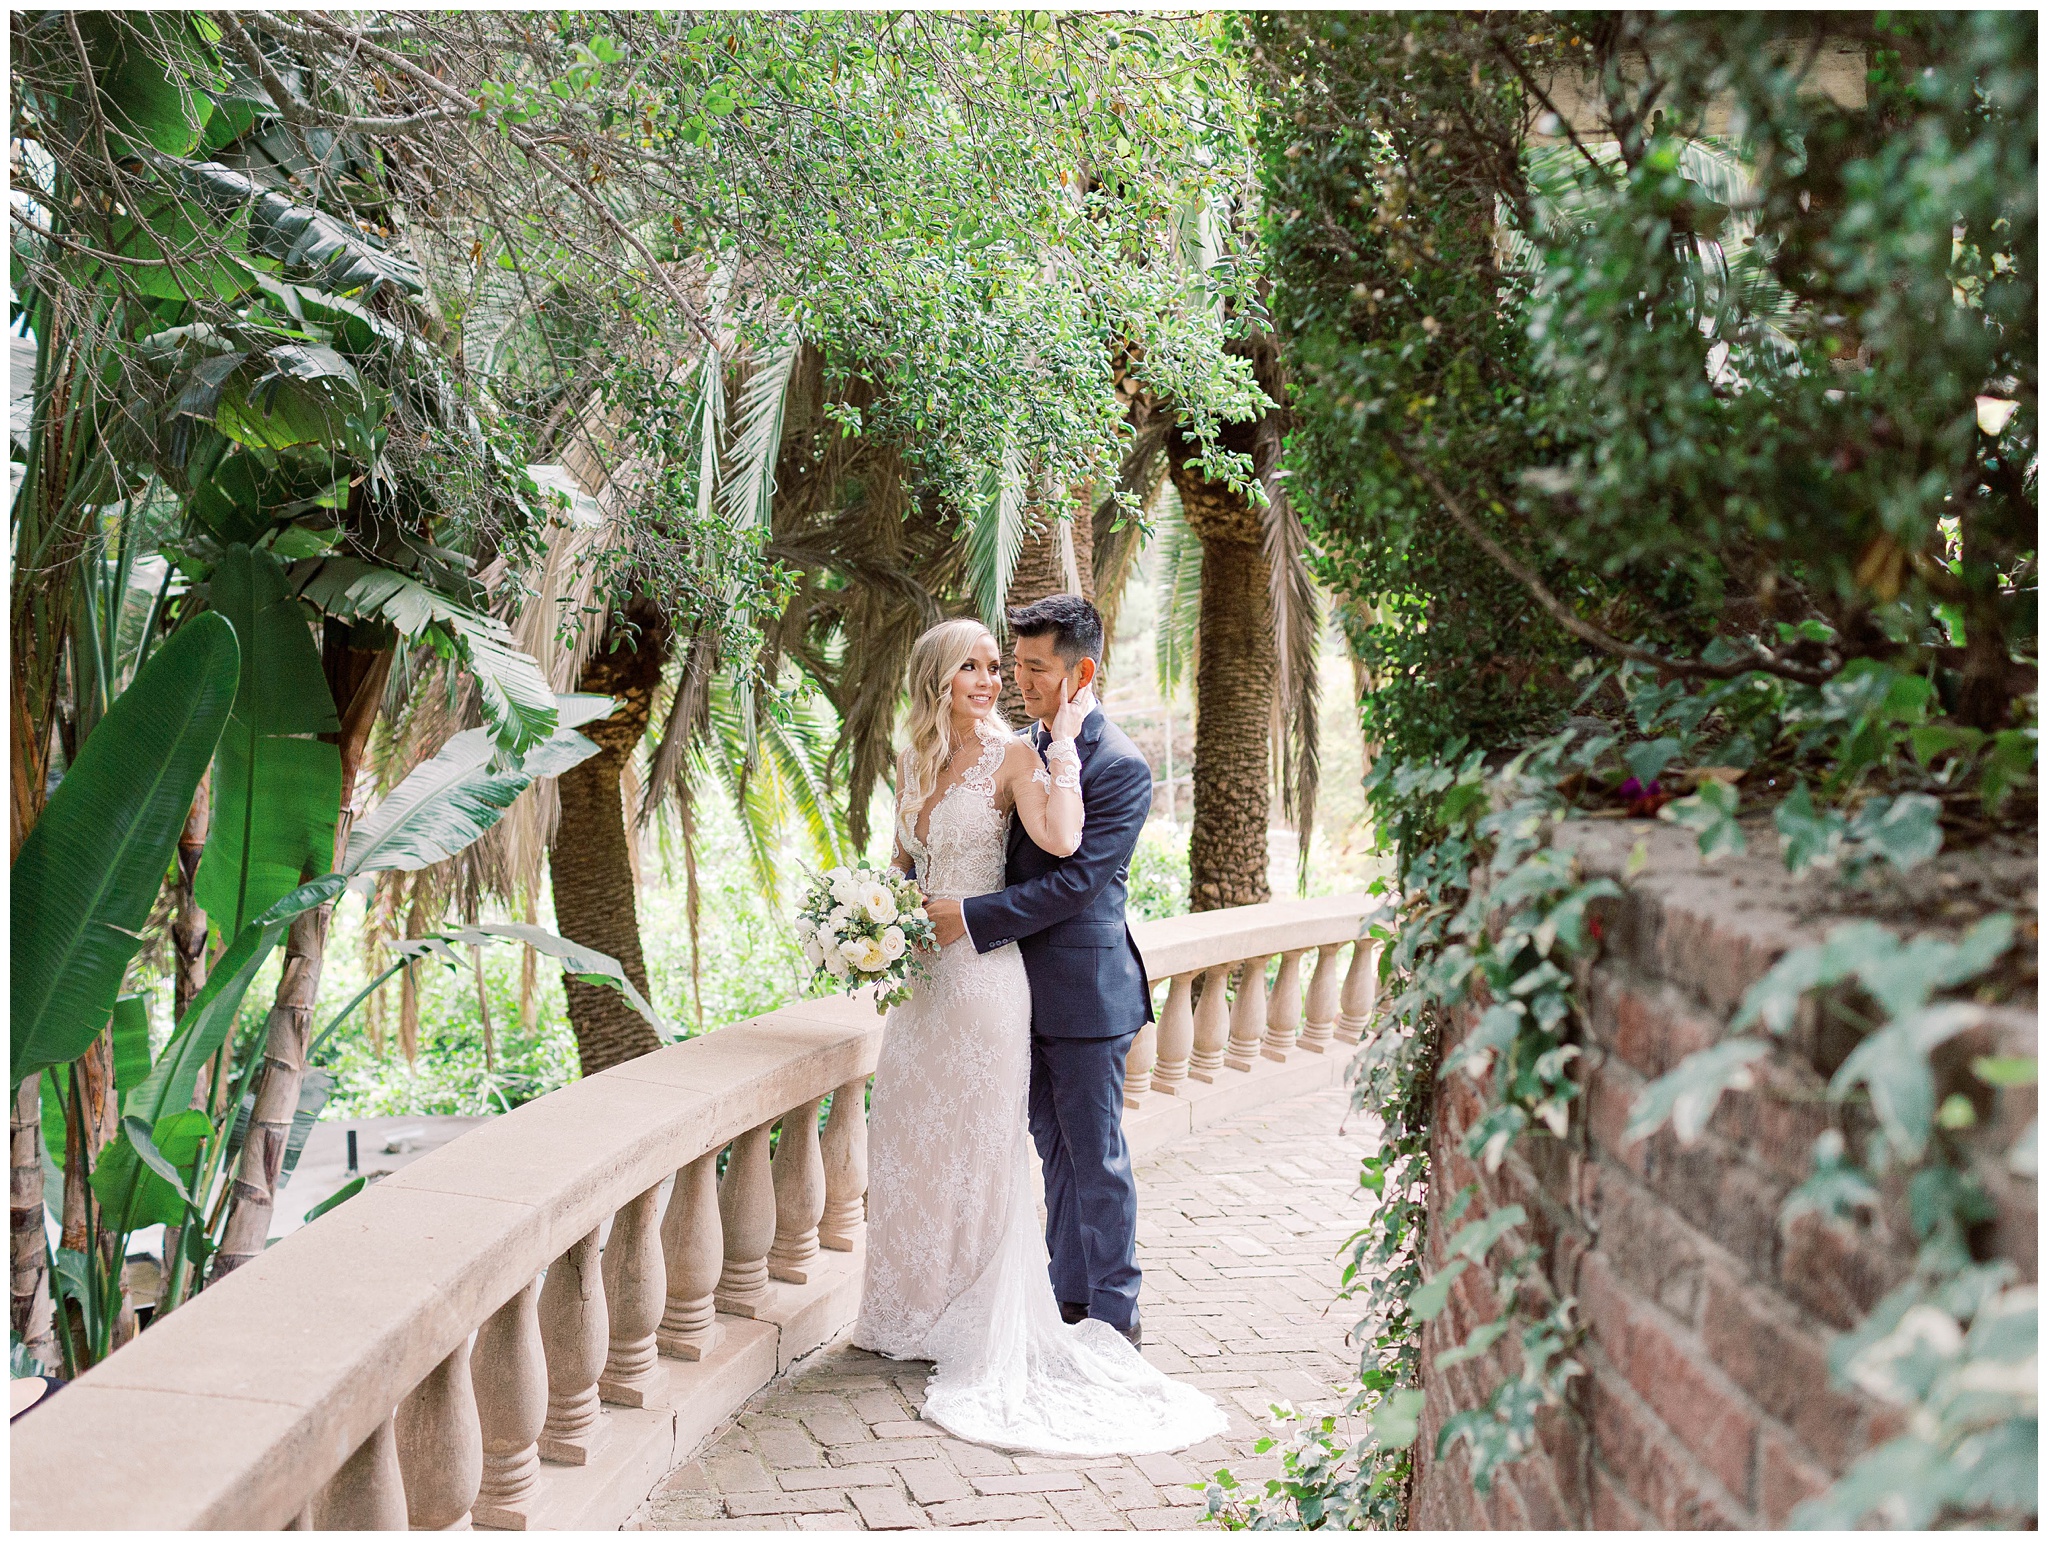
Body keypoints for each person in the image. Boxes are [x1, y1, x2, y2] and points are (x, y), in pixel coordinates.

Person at [851, 604, 1223, 1455]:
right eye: (1005, 665)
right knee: (1048, 1153)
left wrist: (967, 916)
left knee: (1095, 1157)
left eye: (1029, 668)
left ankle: (1114, 1323)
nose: (1014, 681)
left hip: (1079, 992)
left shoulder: (1116, 764)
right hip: (987, 984)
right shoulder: (1000, 747)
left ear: (1079, 672)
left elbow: (1074, 883)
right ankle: (1059, 1300)